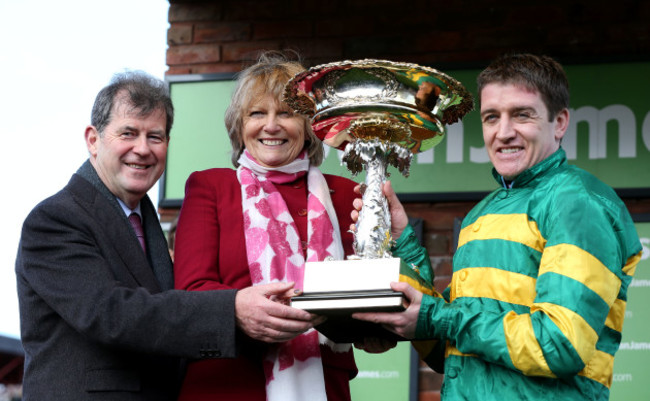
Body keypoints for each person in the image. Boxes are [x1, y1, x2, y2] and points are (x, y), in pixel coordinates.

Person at [353, 54, 642, 400]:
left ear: (560, 122)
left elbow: (559, 344)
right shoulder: (481, 213)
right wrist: (404, 245)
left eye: (522, 114)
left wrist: (438, 318)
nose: (504, 133)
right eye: (492, 118)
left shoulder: (579, 203)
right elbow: (448, 352)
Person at [15, 71, 317, 401]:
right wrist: (232, 310)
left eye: (155, 137)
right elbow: (111, 314)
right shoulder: (55, 219)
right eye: (128, 133)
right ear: (93, 139)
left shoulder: (146, 223)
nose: (142, 149)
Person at [173, 52, 359, 401]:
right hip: (227, 384)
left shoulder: (345, 194)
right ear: (239, 127)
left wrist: (374, 325)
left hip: (323, 383)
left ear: (309, 126)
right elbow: (190, 292)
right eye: (257, 113)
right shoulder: (210, 187)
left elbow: (364, 291)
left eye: (286, 113)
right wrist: (240, 308)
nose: (271, 125)